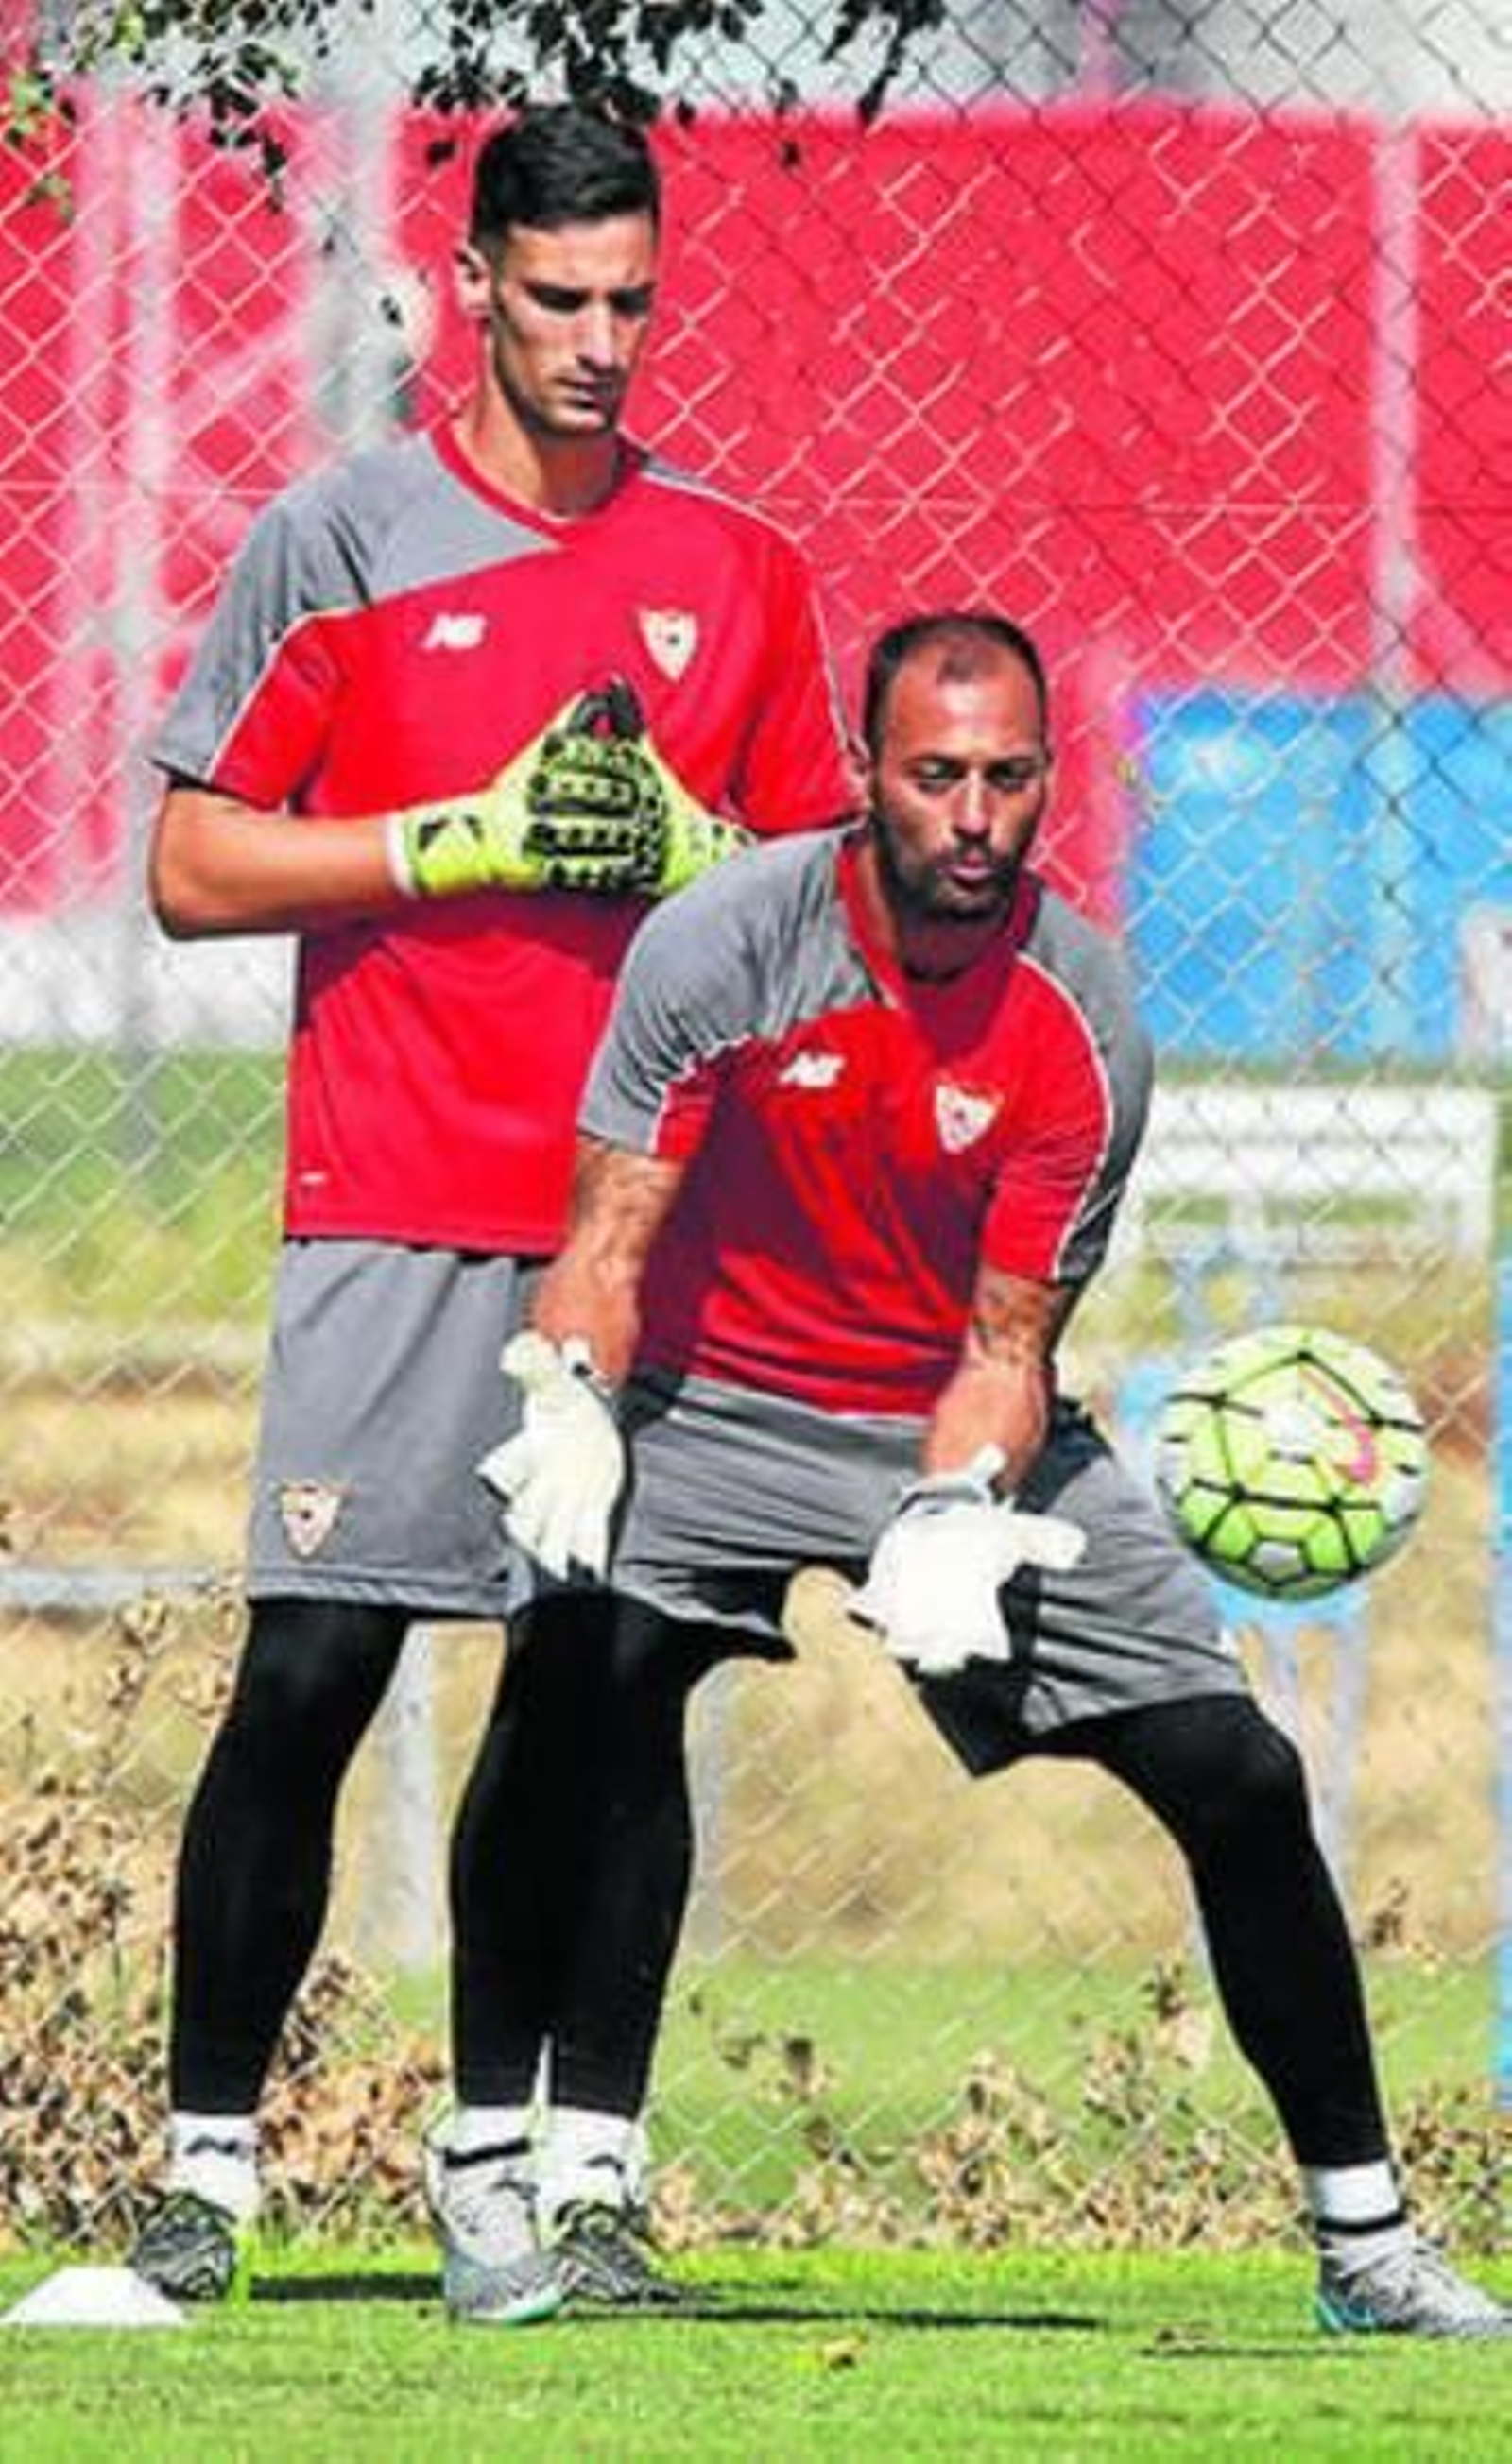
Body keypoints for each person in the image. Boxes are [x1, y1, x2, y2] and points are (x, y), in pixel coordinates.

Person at [488, 609, 1512, 2339]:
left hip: (946, 1412)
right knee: (587, 1672)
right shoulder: (724, 941)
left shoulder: (1084, 1007)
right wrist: (574, 1396)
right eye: (937, 775)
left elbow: (1010, 1345)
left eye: (1009, 778)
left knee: (1242, 1771)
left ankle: (1369, 2245)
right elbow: (607, 1234)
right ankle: (575, 2183)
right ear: (867, 777)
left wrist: (959, 1510)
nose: (973, 815)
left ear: (1052, 781)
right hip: (710, 1395)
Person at [129, 101, 854, 2322]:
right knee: (314, 1663)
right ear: (470, 289)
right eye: (558, 301)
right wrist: (451, 839)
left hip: (641, 1223)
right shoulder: (335, 534)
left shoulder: (735, 565)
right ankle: (203, 2184)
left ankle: (556, 2178)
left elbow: (820, 904)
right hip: (392, 1203)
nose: (601, 344)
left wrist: (700, 852)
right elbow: (188, 866)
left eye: (634, 300)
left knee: (599, 1690)